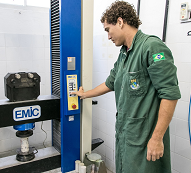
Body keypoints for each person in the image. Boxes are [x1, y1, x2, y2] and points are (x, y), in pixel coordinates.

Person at [72, 1, 181, 173]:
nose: (108, 36)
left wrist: (157, 138)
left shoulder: (151, 47)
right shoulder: (124, 54)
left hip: (145, 139)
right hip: (126, 136)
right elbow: (110, 82)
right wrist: (85, 95)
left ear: (120, 22)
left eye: (108, 29)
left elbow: (170, 94)